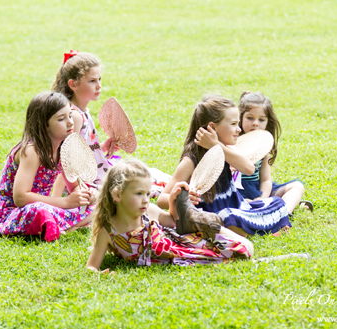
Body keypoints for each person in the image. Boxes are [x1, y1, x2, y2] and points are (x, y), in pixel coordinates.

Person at [157, 95, 292, 237]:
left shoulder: (227, 149)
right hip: (211, 218)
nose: (239, 129)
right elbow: (162, 200)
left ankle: (250, 229)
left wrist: (216, 145)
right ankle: (262, 230)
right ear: (212, 127)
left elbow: (249, 168)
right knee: (226, 217)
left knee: (277, 203)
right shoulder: (192, 160)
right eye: (233, 124)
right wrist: (180, 197)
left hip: (238, 208)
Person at [86, 160, 253, 272]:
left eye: (147, 194)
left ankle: (207, 223)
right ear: (117, 195)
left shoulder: (149, 211)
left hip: (179, 243)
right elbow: (91, 267)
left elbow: (172, 221)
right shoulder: (108, 231)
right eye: (138, 194)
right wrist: (99, 275)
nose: (145, 200)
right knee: (239, 252)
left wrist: (173, 199)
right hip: (176, 256)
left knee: (243, 247)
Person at [0, 91, 96, 241]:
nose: (70, 123)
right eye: (61, 119)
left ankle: (63, 226)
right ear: (44, 124)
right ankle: (63, 225)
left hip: (47, 205)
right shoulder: (32, 151)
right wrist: (65, 202)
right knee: (40, 212)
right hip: (15, 212)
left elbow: (74, 188)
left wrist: (84, 195)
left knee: (98, 205)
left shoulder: (64, 148)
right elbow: (20, 198)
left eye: (70, 116)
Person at [237, 91, 312, 213]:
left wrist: (263, 198)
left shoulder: (263, 147)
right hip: (235, 193)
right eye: (250, 118)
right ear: (240, 117)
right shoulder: (230, 143)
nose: (255, 123)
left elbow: (266, 180)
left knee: (297, 186)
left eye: (261, 119)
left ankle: (284, 212)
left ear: (267, 122)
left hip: (257, 191)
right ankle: (268, 208)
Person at [51, 51, 117, 188]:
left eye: (100, 79)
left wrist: (102, 147)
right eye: (92, 81)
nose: (99, 85)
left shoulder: (83, 110)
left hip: (91, 173)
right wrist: (61, 198)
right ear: (73, 84)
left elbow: (82, 150)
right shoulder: (74, 116)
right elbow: (67, 162)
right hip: (79, 183)